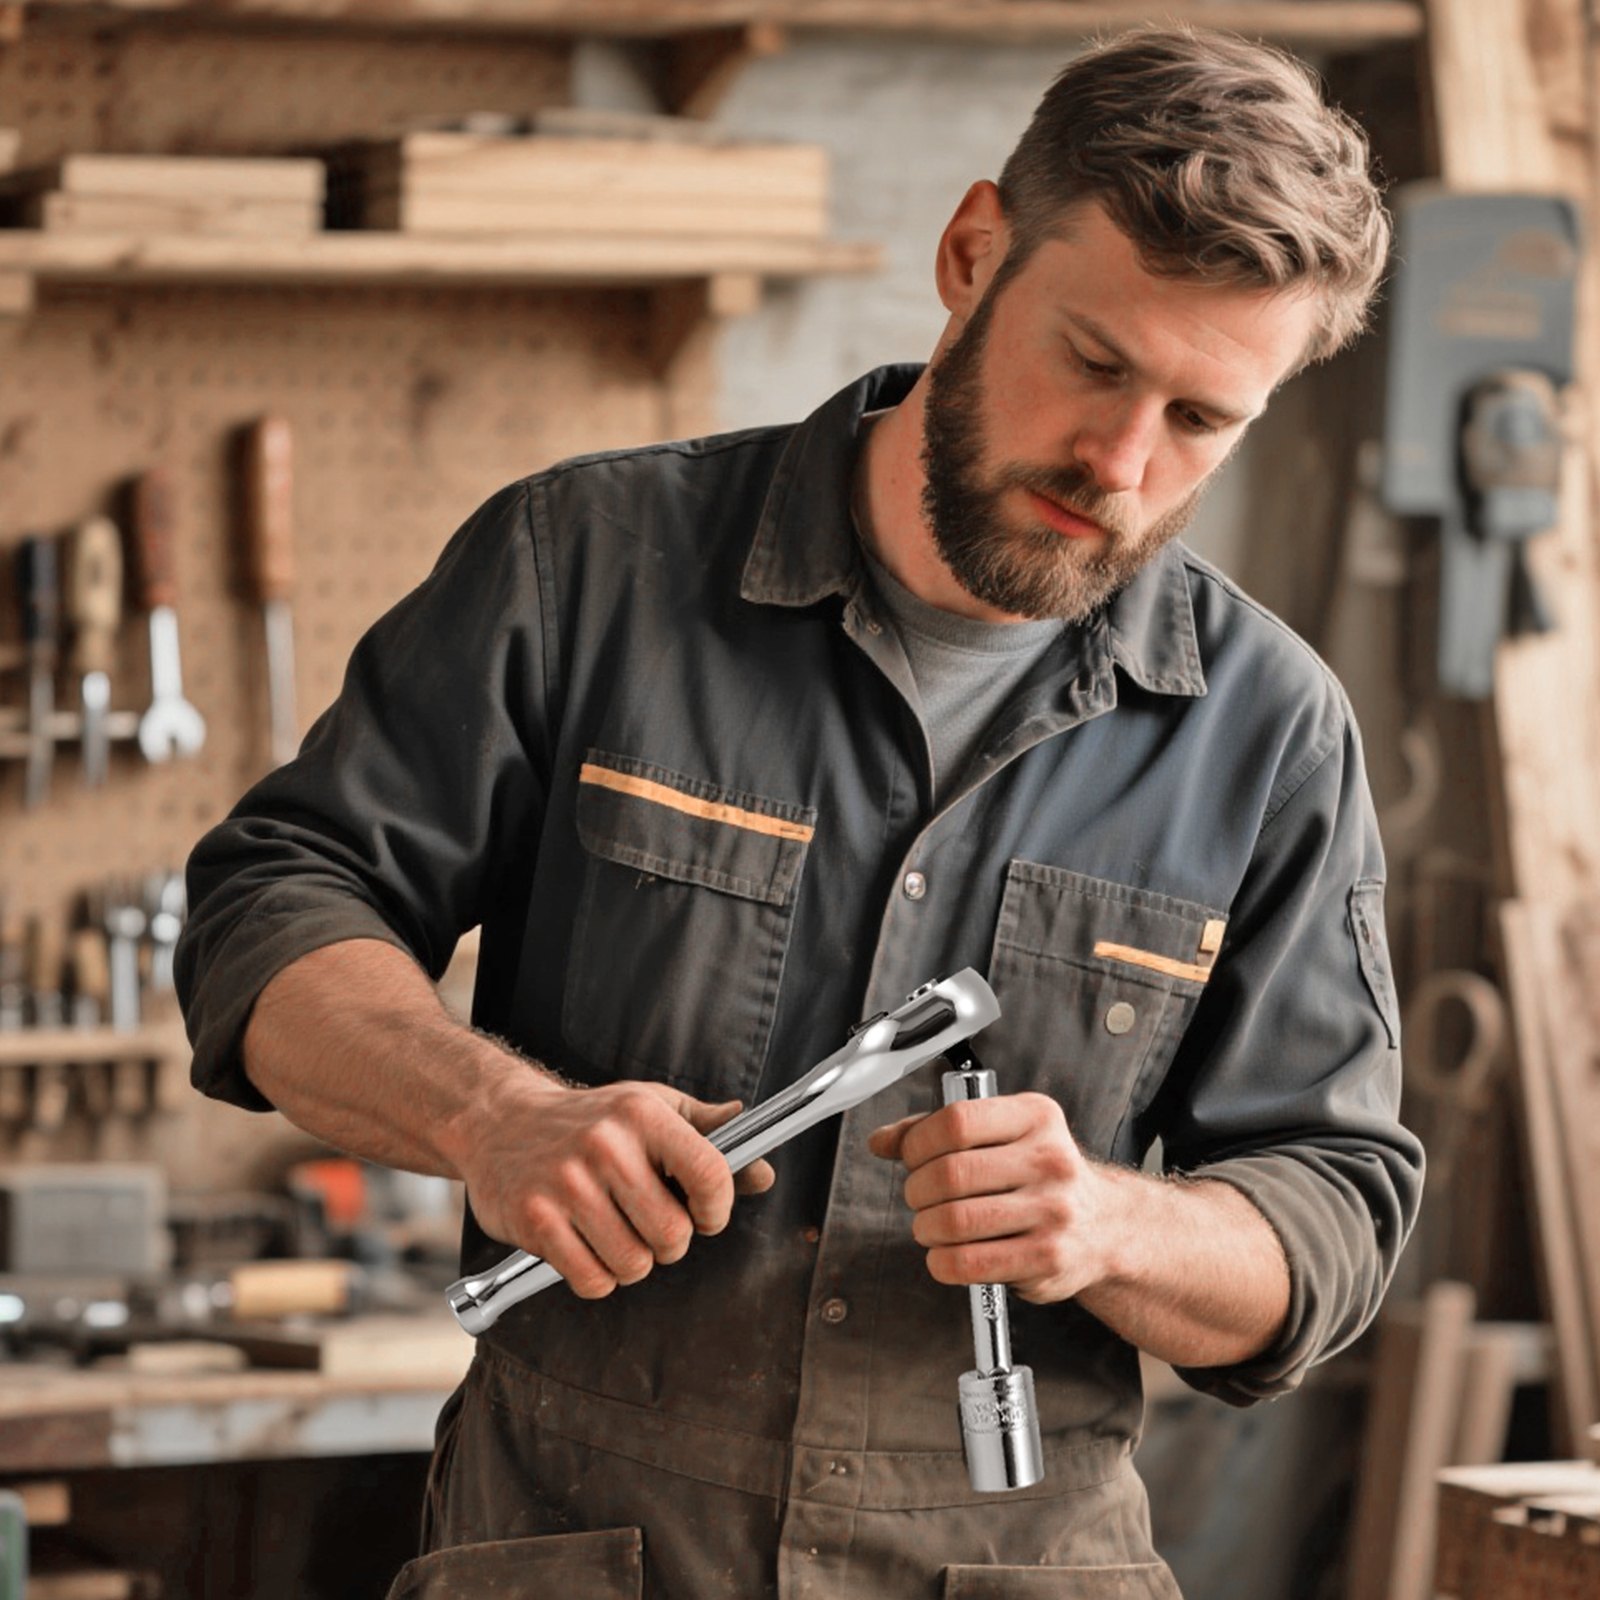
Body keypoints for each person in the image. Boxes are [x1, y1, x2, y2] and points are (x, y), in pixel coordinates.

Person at [176, 25, 1423, 1600]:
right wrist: (489, 1114)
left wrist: (1115, 1226)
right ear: (973, 254)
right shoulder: (586, 567)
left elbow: (1331, 1216)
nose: (1121, 462)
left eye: (1200, 421)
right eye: (1096, 363)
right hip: (588, 1553)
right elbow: (274, 908)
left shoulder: (1270, 731)